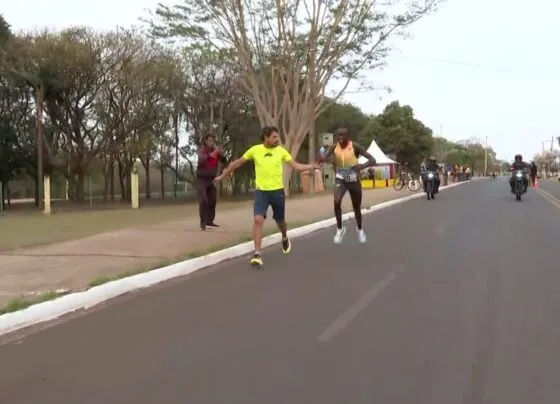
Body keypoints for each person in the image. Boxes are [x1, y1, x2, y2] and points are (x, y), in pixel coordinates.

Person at [214, 126, 319, 267]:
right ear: (266, 137)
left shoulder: (281, 151)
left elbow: (296, 166)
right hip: (261, 192)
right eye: (274, 137)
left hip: (277, 192)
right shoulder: (255, 150)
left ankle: (284, 236)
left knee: (280, 221)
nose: (277, 140)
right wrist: (222, 176)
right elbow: (236, 163)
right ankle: (257, 253)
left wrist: (311, 166)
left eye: (277, 137)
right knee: (258, 220)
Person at [318, 128, 376, 244]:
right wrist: (322, 159)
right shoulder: (333, 147)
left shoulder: (355, 146)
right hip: (341, 179)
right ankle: (340, 229)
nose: (340, 138)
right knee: (337, 201)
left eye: (343, 136)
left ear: (347, 136)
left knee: (356, 208)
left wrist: (362, 166)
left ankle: (360, 229)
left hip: (354, 180)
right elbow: (324, 157)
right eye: (338, 136)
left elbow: (372, 159)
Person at [196, 134, 228, 230]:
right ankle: (203, 223)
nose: (211, 142)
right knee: (203, 200)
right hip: (202, 179)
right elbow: (201, 160)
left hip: (211, 179)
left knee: (213, 200)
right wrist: (214, 153)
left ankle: (209, 221)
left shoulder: (216, 151)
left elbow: (224, 160)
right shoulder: (202, 150)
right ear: (205, 141)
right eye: (210, 140)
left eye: (213, 141)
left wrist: (221, 153)